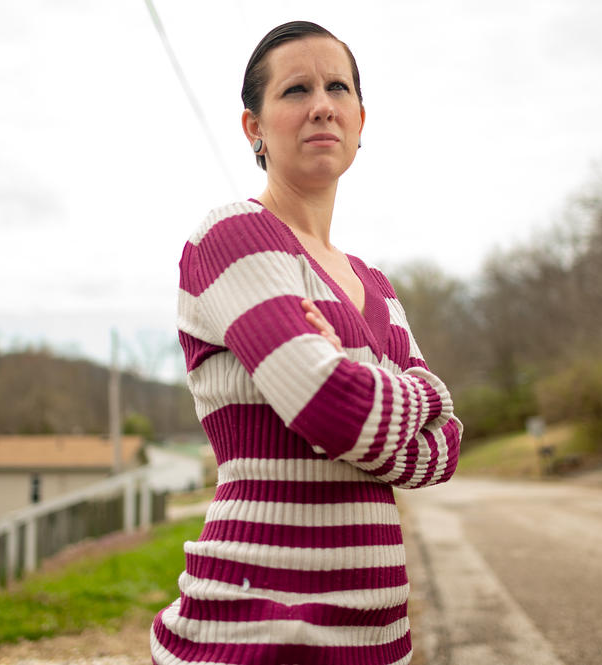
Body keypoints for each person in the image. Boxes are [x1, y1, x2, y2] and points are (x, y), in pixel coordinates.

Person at [150, 20, 462, 665]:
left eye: (337, 87)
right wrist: (404, 395)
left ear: (359, 118)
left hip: (377, 642)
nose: (322, 103)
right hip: (248, 635)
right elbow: (331, 407)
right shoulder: (233, 237)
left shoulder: (377, 285)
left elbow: (448, 446)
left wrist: (356, 385)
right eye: (296, 90)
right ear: (254, 127)